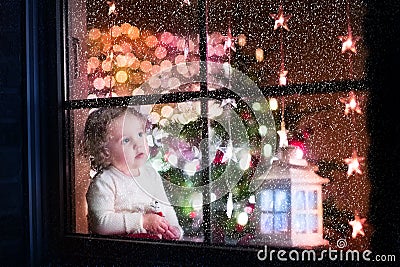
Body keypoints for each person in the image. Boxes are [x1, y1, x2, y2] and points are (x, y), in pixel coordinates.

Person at [82, 106, 183, 240]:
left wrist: (174, 228)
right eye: (126, 140)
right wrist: (143, 221)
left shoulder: (150, 174)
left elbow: (165, 206)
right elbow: (101, 223)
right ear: (106, 151)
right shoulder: (105, 182)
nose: (138, 144)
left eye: (140, 134)